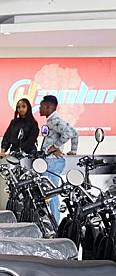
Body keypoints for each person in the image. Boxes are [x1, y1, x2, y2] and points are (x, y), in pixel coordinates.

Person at [39, 95, 79, 223]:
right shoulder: (55, 120)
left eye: (41, 106)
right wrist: (73, 150)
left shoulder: (53, 120)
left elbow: (68, 133)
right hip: (52, 161)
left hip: (51, 161)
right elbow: (74, 133)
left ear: (48, 107)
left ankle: (54, 223)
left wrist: (54, 147)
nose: (39, 109)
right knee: (51, 192)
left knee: (51, 193)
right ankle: (53, 222)